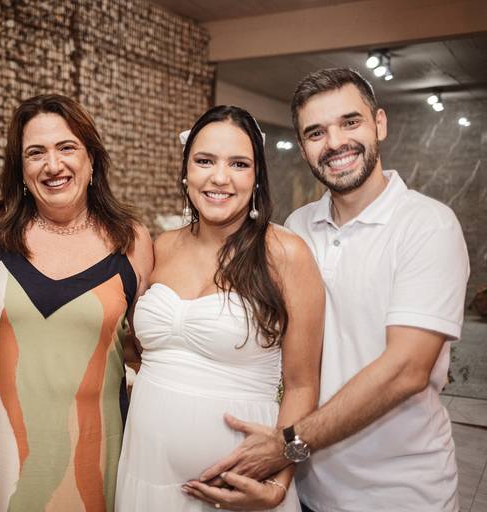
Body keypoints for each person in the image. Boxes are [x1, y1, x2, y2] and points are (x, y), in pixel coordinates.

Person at [199, 68, 470, 512]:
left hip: (401, 495)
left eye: (350, 122)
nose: (335, 142)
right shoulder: (298, 228)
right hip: (308, 488)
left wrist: (287, 444)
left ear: (379, 123)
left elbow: (406, 369)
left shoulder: (427, 225)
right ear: (303, 145)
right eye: (316, 132)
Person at [116, 105, 324, 511]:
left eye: (238, 164)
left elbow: (302, 386)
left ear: (257, 177)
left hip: (244, 488)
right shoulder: (161, 247)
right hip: (145, 470)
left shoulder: (286, 254)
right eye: (205, 161)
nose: (219, 177)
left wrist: (278, 482)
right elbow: (136, 349)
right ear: (186, 171)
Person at [0, 94, 153, 512]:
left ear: (92, 160)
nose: (53, 165)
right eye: (36, 153)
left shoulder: (131, 240)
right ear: (20, 169)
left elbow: (144, 351)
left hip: (99, 464)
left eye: (67, 148)